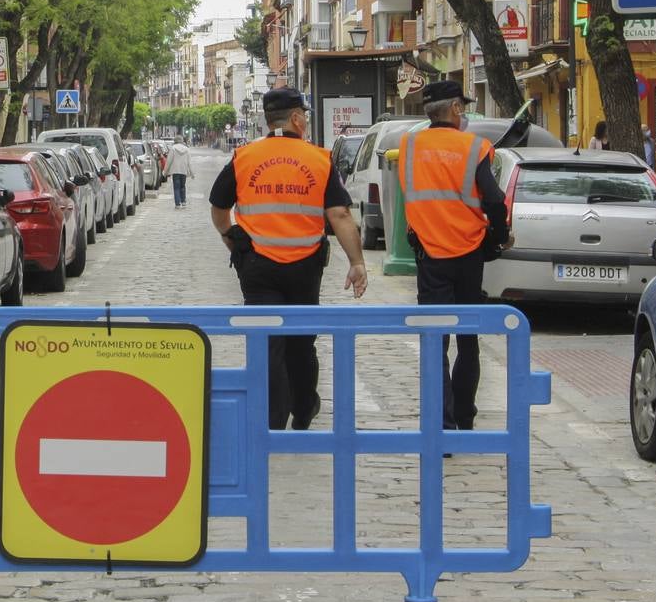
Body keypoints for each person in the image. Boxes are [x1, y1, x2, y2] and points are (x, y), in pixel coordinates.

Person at [209, 87, 368, 431]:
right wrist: (356, 262)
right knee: (301, 340)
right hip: (304, 265)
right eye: (305, 116)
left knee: (267, 340)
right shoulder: (319, 159)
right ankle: (303, 407)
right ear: (296, 118)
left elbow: (219, 207)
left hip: (257, 266)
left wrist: (230, 239)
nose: (307, 121)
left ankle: (271, 418)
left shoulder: (243, 157)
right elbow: (339, 215)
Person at [398, 81, 512, 433]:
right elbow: (493, 199)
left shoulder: (409, 145)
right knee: (468, 340)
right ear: (457, 110)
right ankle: (464, 416)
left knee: (435, 342)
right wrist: (498, 236)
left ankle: (441, 424)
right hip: (468, 254)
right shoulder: (475, 147)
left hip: (429, 254)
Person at [165, 137, 194, 208]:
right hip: (183, 170)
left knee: (176, 187)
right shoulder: (187, 149)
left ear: (175, 141)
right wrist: (192, 172)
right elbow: (189, 162)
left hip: (175, 170)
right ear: (182, 141)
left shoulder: (173, 148)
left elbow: (169, 161)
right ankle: (183, 201)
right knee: (182, 186)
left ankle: (177, 204)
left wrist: (165, 171)